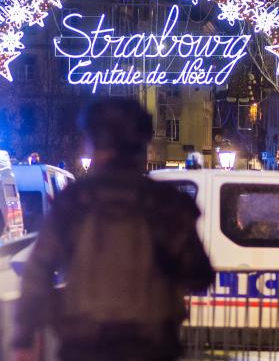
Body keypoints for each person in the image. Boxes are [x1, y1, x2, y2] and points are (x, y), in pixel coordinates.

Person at [12, 98, 214, 361]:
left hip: (84, 345)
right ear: (142, 144)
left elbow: (37, 272)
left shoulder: (73, 202)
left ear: (96, 144)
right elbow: (199, 275)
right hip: (150, 346)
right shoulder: (167, 204)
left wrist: (25, 337)